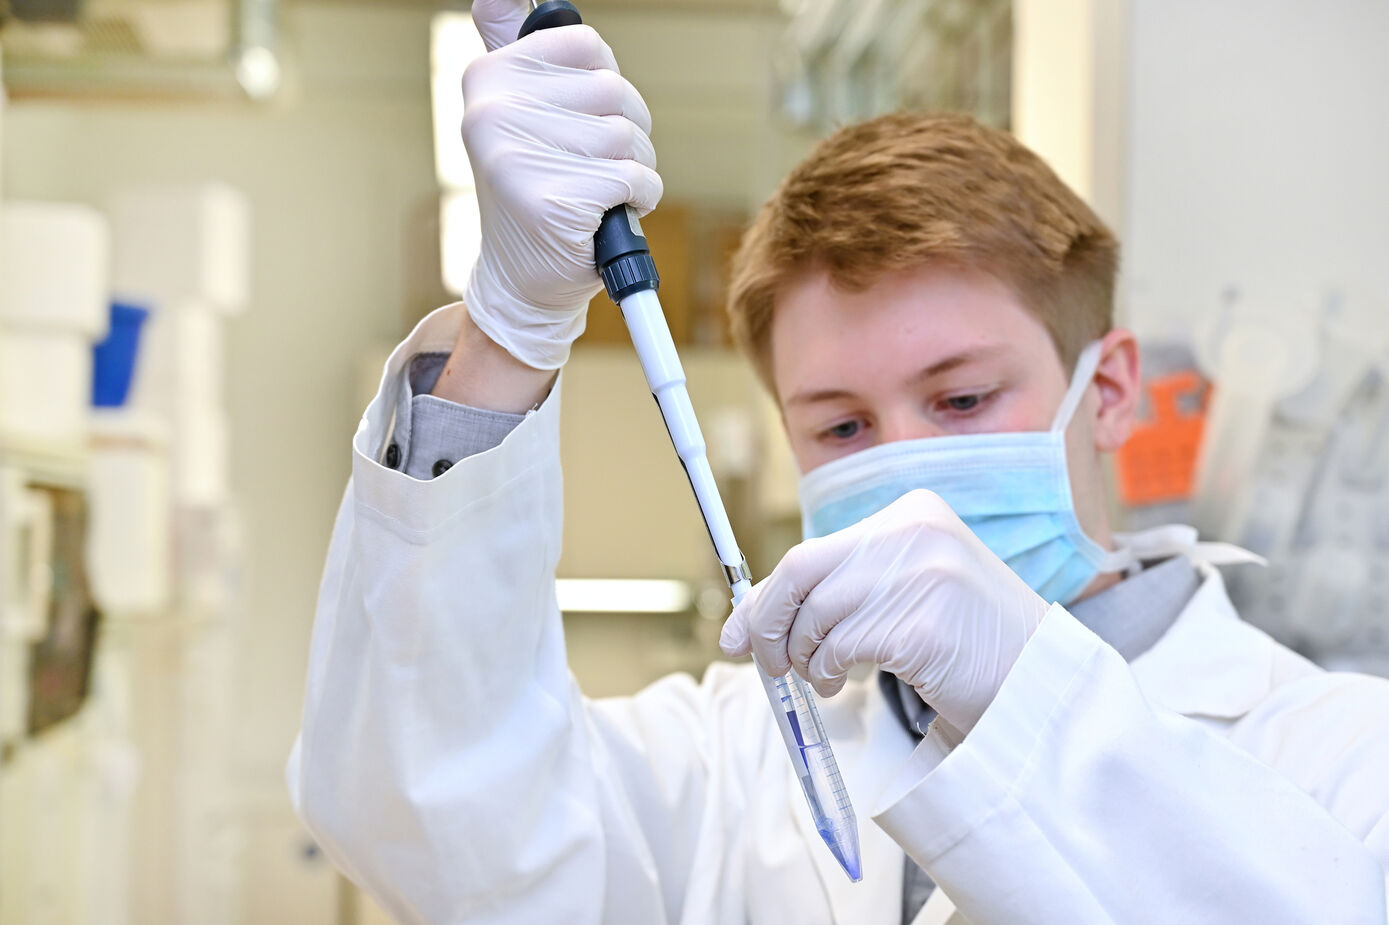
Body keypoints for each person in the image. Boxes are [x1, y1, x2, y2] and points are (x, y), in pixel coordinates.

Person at [287, 1, 1389, 922]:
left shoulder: (1342, 753)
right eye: (842, 427)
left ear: (1107, 392)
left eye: (961, 397)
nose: (906, 472)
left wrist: (1016, 686)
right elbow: (431, 814)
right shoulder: (729, 764)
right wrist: (511, 330)